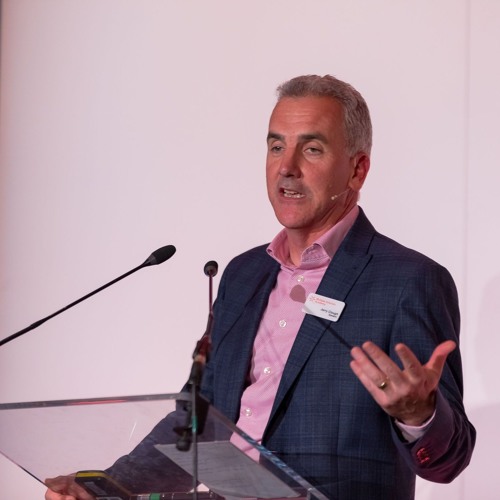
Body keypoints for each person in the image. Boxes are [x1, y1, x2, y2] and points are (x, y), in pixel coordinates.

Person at [46, 75, 475, 500]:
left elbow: (450, 459)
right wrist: (104, 488)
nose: (286, 167)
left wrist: (419, 415)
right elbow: (197, 422)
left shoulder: (408, 281)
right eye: (276, 147)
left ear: (357, 170)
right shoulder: (244, 275)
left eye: (311, 149)